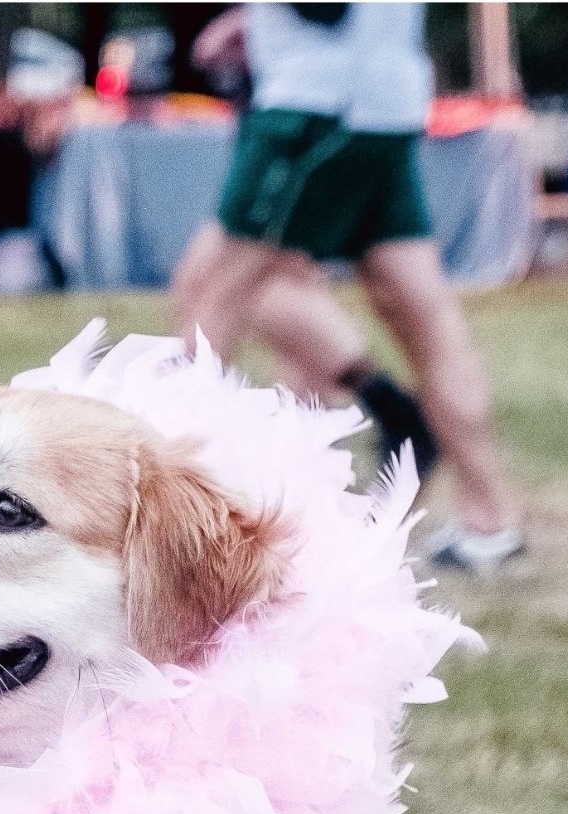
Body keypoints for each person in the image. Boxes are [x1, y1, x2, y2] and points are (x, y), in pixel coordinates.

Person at [175, 2, 524, 572]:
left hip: (317, 109)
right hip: (384, 107)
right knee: (422, 316)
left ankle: (183, 524)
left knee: (212, 294)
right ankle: (490, 519)